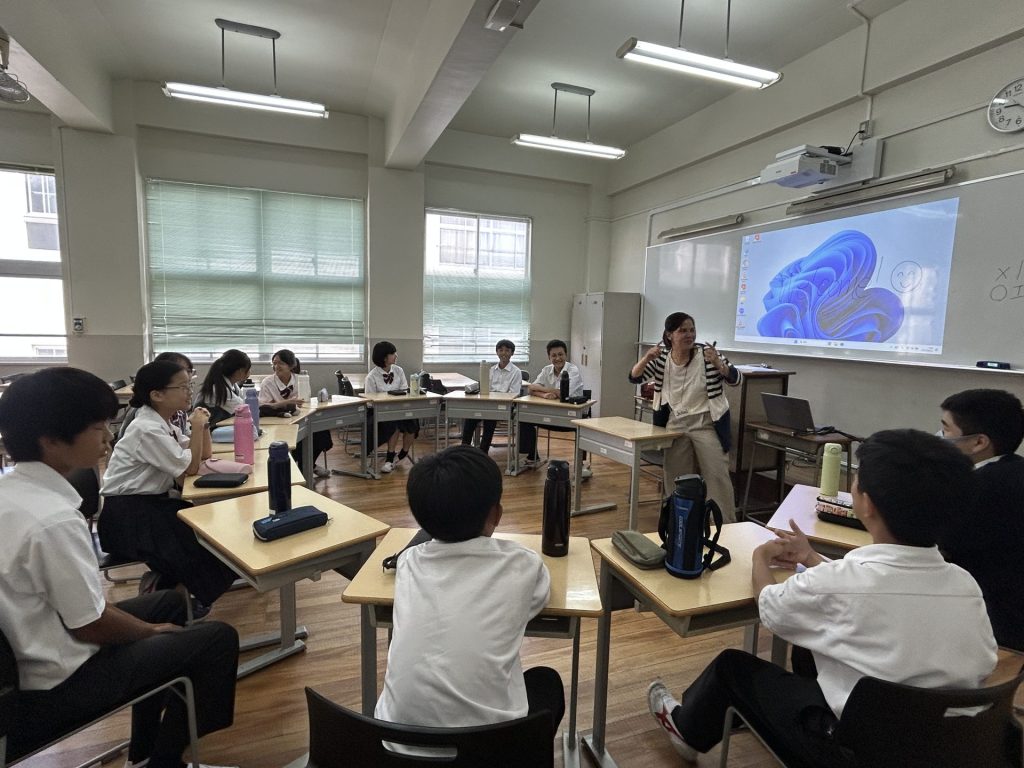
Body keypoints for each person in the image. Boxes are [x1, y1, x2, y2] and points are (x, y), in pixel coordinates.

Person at [646, 429, 997, 767]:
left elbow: (770, 606)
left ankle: (685, 730)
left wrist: (760, 558)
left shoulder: (839, 583)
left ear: (866, 504)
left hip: (851, 751)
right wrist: (812, 558)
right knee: (809, 649)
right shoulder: (965, 585)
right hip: (947, 748)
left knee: (731, 668)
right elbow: (983, 663)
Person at [0, 367, 239, 768]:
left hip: (35, 645)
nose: (108, 439)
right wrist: (149, 633)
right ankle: (165, 761)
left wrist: (151, 629)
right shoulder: (53, 520)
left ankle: (143, 751)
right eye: (97, 429)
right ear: (51, 441)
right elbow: (89, 624)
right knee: (216, 640)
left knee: (168, 604)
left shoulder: (13, 492)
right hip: (53, 686)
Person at [375, 445, 564, 741]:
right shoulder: (523, 564)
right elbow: (538, 600)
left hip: (393, 745)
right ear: (496, 514)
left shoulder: (409, 562)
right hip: (485, 752)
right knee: (547, 681)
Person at [100, 360, 237, 615]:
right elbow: (191, 468)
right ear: (157, 395)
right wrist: (197, 426)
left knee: (208, 532)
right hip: (128, 518)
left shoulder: (163, 423)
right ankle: (167, 592)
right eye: (183, 387)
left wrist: (203, 425)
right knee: (197, 544)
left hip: (149, 506)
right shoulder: (146, 429)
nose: (189, 392)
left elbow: (203, 454)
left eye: (190, 386)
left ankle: (178, 589)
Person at [629, 312, 741, 522]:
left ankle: (725, 526)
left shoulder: (707, 355)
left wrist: (719, 364)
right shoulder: (662, 358)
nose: (689, 335)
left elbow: (736, 379)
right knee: (676, 478)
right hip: (676, 423)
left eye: (692, 330)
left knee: (717, 476)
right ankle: (679, 524)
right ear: (669, 335)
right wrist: (646, 358)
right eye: (683, 331)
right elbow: (634, 377)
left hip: (706, 423)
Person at [937, 388, 1024, 651]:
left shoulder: (978, 488)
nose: (939, 436)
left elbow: (934, 542)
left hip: (992, 621)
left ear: (979, 443)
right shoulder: (1014, 470)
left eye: (946, 429)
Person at [518, 339, 592, 477]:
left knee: (582, 428)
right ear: (549, 357)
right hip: (552, 414)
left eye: (560, 354)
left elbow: (563, 393)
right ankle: (532, 456)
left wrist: (544, 389)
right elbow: (531, 389)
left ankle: (581, 464)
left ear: (566, 355)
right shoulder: (546, 370)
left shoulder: (573, 370)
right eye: (554, 355)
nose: (557, 358)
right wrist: (545, 395)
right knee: (524, 418)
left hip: (573, 417)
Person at [259, 348, 333, 478]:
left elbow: (305, 402)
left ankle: (308, 465)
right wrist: (286, 403)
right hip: (277, 422)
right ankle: (303, 468)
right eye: (274, 363)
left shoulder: (301, 379)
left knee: (321, 433)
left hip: (299, 418)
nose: (276, 366)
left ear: (291, 365)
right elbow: (264, 406)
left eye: (281, 363)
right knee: (296, 439)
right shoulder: (267, 382)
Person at [461, 339, 522, 454]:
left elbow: (514, 393)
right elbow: (485, 388)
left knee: (490, 419)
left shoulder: (516, 372)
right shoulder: (490, 369)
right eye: (501, 350)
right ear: (497, 352)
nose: (503, 353)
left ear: (512, 353)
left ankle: (483, 452)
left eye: (507, 350)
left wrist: (495, 397)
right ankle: (463, 450)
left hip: (504, 406)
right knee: (470, 417)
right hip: (487, 404)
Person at [117, 351, 195, 442]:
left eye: (189, 370)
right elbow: (189, 450)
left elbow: (187, 443)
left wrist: (202, 426)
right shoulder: (148, 427)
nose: (191, 392)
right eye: (183, 387)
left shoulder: (173, 414)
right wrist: (199, 426)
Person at [365, 340, 417, 473]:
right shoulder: (371, 376)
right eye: (393, 353)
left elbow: (404, 389)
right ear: (384, 357)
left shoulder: (399, 370)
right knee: (393, 423)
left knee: (413, 422)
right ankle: (390, 457)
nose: (396, 356)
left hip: (400, 408)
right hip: (380, 412)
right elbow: (369, 402)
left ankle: (403, 452)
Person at [196, 348, 251, 421]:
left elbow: (245, 402)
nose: (250, 372)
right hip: (208, 426)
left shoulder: (232, 385)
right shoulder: (218, 389)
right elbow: (245, 409)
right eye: (248, 369)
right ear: (240, 371)